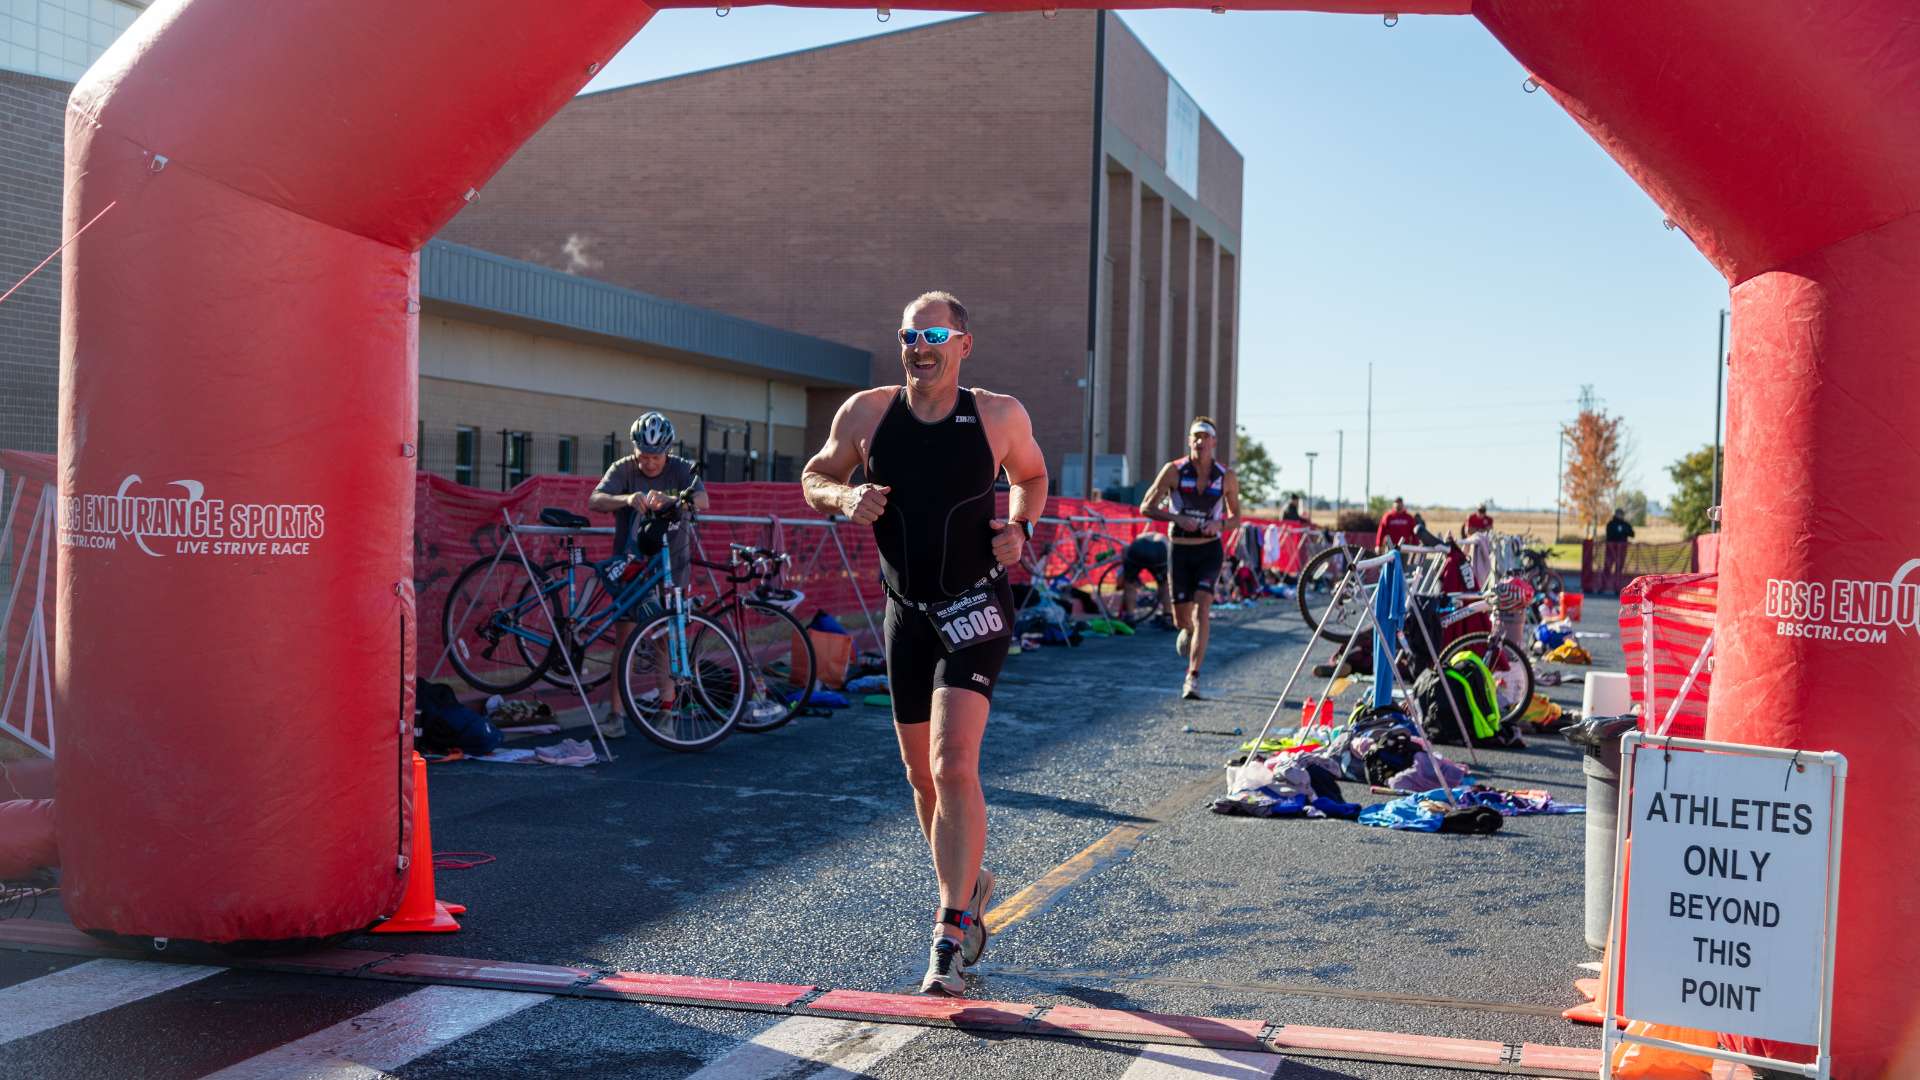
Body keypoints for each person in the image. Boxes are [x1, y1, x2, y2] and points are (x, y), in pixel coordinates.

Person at [801, 290, 1047, 997]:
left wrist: (1020, 529)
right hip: (906, 615)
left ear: (963, 344)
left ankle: (950, 930)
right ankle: (972, 883)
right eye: (910, 333)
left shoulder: (998, 415)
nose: (920, 344)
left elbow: (1031, 476)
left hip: (974, 606)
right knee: (920, 777)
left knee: (953, 761)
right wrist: (845, 498)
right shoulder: (867, 414)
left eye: (934, 332)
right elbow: (816, 475)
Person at [587, 411, 710, 734]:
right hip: (632, 564)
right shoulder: (624, 468)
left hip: (673, 564)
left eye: (656, 457)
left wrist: (673, 500)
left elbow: (703, 499)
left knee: (666, 639)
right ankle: (615, 714)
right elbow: (595, 499)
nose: (649, 463)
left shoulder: (681, 468)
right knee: (625, 639)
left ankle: (667, 713)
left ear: (667, 451)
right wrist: (627, 498)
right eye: (643, 456)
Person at [1140, 417, 1242, 701]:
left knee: (1202, 610)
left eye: (1204, 437)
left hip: (1209, 550)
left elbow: (1237, 519)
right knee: (1182, 618)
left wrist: (1219, 525)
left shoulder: (1226, 476)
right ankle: (1186, 629)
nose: (1199, 442)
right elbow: (1145, 507)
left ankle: (1193, 677)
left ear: (1214, 442)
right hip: (1180, 550)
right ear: (1189, 442)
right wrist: (1176, 517)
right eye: (1194, 437)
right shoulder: (1173, 471)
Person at [1116, 530, 1170, 623]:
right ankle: (1168, 616)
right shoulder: (1166, 541)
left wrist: (1128, 576)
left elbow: (1125, 551)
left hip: (1138, 548)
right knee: (1164, 584)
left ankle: (1130, 616)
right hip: (1159, 551)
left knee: (1129, 584)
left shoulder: (1138, 540)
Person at [1603, 507, 1636, 591]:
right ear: (1615, 514)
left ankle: (1616, 587)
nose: (1620, 516)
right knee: (1607, 567)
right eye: (1619, 514)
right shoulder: (1610, 524)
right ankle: (1603, 586)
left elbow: (1632, 534)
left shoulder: (1625, 524)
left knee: (1619, 569)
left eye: (1621, 514)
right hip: (1611, 550)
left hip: (1621, 550)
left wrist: (1623, 531)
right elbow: (1610, 535)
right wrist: (1619, 533)